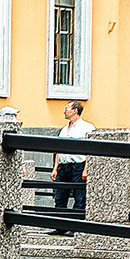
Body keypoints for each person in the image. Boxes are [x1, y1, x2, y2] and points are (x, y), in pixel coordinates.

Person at [49, 100, 93, 237]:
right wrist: (55, 168)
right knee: (60, 197)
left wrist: (86, 169)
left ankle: (75, 227)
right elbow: (58, 150)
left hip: (78, 165)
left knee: (79, 198)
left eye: (67, 108)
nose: (64, 111)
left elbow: (90, 150)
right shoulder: (64, 129)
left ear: (75, 110)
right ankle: (60, 227)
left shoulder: (87, 128)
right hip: (63, 166)